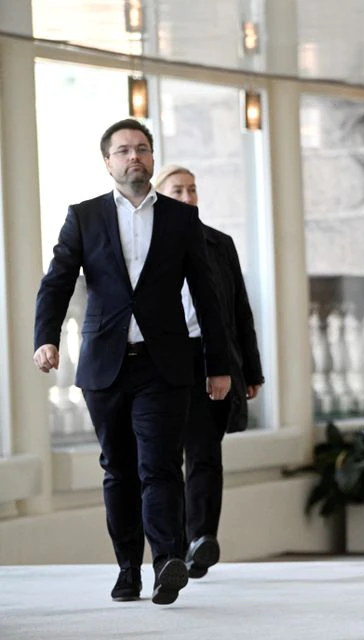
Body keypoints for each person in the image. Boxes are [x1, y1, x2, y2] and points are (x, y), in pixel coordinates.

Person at [33, 119, 232, 606]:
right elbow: (57, 281)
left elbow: (208, 295)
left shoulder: (180, 221)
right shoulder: (84, 217)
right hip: (105, 364)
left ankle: (166, 559)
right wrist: (47, 338)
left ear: (151, 157)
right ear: (108, 162)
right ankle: (128, 568)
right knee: (118, 469)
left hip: (164, 365)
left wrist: (219, 364)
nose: (133, 157)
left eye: (142, 149)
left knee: (159, 465)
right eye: (123, 151)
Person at [154, 165, 265, 579]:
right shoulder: (147, 244)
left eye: (192, 190)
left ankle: (201, 539)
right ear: (160, 197)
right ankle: (174, 548)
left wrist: (249, 370)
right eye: (177, 190)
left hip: (209, 358)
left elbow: (240, 311)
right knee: (163, 458)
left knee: (204, 454)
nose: (187, 197)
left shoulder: (219, 244)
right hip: (161, 359)